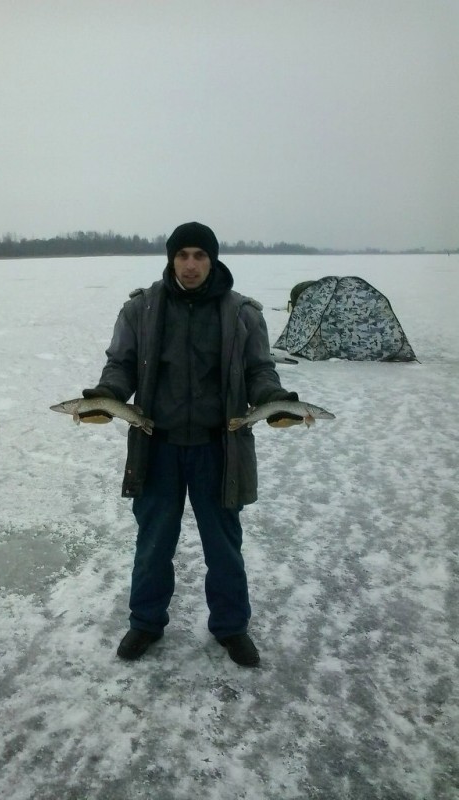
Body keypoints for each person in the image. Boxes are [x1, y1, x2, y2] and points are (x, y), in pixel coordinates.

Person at [83, 222, 303, 667]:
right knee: (153, 543)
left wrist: (273, 400)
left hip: (217, 449)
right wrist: (108, 395)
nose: (190, 265)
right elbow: (121, 364)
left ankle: (231, 626)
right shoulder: (141, 310)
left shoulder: (243, 314)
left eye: (199, 256)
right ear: (170, 259)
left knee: (223, 546)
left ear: (213, 260)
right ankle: (145, 621)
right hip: (157, 446)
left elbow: (260, 370)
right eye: (182, 255)